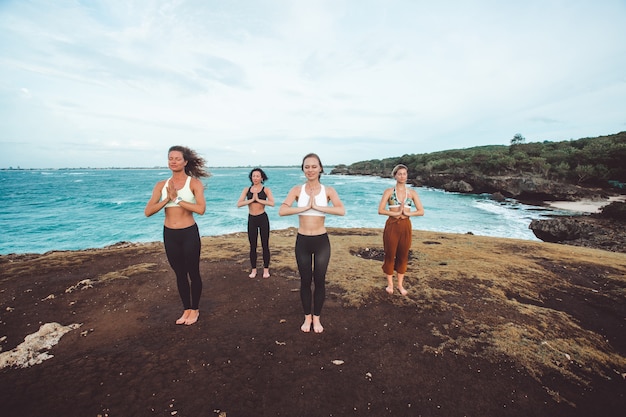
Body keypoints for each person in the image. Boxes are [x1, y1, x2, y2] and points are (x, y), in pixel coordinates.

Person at [279, 153, 345, 333]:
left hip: (321, 240)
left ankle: (317, 318)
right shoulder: (297, 190)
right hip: (303, 241)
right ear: (303, 169)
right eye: (307, 167)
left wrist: (317, 207)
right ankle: (307, 317)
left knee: (320, 280)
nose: (310, 170)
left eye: (314, 166)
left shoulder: (328, 190)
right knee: (305, 280)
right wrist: (305, 207)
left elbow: (341, 210)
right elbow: (282, 210)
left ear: (320, 168)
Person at [145, 146, 209, 325]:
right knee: (179, 274)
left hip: (189, 233)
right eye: (170, 158)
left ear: (185, 162)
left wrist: (178, 200)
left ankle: (195, 310)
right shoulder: (161, 185)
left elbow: (201, 209)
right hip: (170, 234)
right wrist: (167, 199)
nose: (173, 161)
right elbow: (148, 211)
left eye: (177, 158)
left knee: (193, 272)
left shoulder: (194, 183)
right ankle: (186, 310)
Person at [378, 164, 424, 296]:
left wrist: (409, 214)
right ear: (395, 176)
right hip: (392, 225)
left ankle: (400, 285)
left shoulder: (412, 193)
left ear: (407, 175)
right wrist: (396, 213)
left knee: (403, 255)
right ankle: (390, 284)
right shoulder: (389, 192)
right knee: (390, 253)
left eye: (404, 174)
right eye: (399, 174)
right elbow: (380, 210)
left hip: (406, 226)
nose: (402, 176)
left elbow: (421, 211)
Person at [236, 168, 275, 279]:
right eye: (253, 176)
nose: (255, 178)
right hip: (252, 219)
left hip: (263, 218)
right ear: (251, 177)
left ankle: (266, 270)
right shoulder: (246, 189)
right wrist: (251, 200)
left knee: (265, 245)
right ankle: (253, 270)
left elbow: (272, 203)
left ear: (262, 178)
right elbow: (239, 204)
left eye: (258, 176)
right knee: (252, 245)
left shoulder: (266, 189)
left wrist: (258, 200)